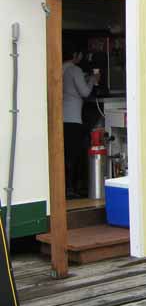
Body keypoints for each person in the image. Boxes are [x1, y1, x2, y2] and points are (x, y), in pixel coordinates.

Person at [63, 47, 99, 198]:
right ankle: (72, 189)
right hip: (74, 118)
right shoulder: (74, 70)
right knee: (74, 155)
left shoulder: (60, 69)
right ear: (76, 54)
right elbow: (85, 92)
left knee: (64, 155)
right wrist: (92, 80)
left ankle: (65, 188)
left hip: (62, 118)